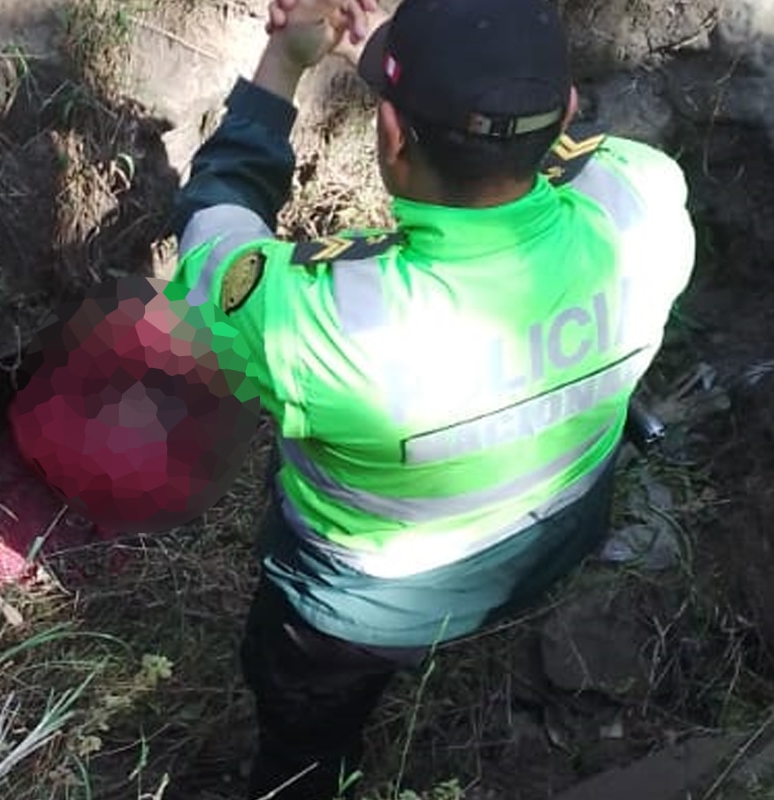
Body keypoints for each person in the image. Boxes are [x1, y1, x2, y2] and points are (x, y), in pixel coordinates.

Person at [166, 0, 697, 797]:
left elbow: (216, 227)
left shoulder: (322, 326)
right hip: (552, 533)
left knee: (305, 724)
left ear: (388, 134)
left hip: (359, 615)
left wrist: (282, 68)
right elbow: (572, 159)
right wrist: (432, 84)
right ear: (570, 111)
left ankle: (296, 778)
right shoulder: (644, 202)